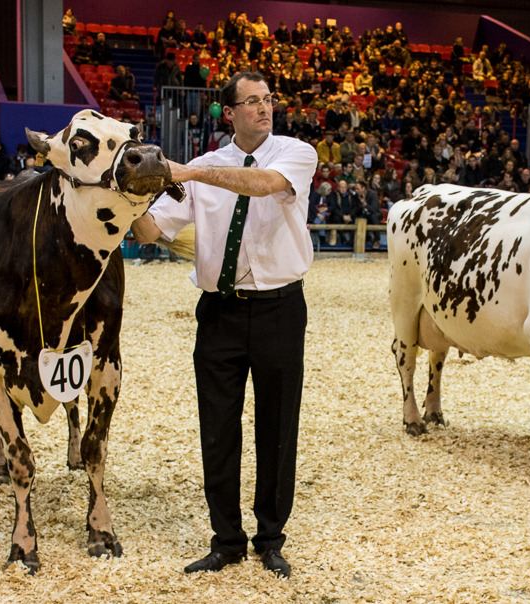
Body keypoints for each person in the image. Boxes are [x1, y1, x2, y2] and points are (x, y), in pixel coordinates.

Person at [132, 72, 316, 578]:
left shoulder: (294, 154)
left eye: (268, 99)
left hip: (280, 308)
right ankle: (226, 540)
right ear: (228, 113)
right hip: (219, 313)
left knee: (278, 427)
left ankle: (271, 538)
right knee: (217, 429)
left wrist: (187, 173)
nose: (264, 108)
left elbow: (264, 186)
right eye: (251, 101)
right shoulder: (201, 168)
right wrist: (129, 193)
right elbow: (151, 231)